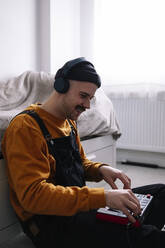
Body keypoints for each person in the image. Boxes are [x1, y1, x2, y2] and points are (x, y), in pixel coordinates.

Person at [1, 57, 165, 248]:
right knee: (150, 238)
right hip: (51, 226)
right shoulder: (26, 127)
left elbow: (80, 163)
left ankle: (129, 232)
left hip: (79, 209)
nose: (87, 106)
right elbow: (33, 196)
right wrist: (103, 198)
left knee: (160, 193)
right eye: (83, 96)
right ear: (61, 87)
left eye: (90, 98)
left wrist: (101, 169)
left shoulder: (69, 121)